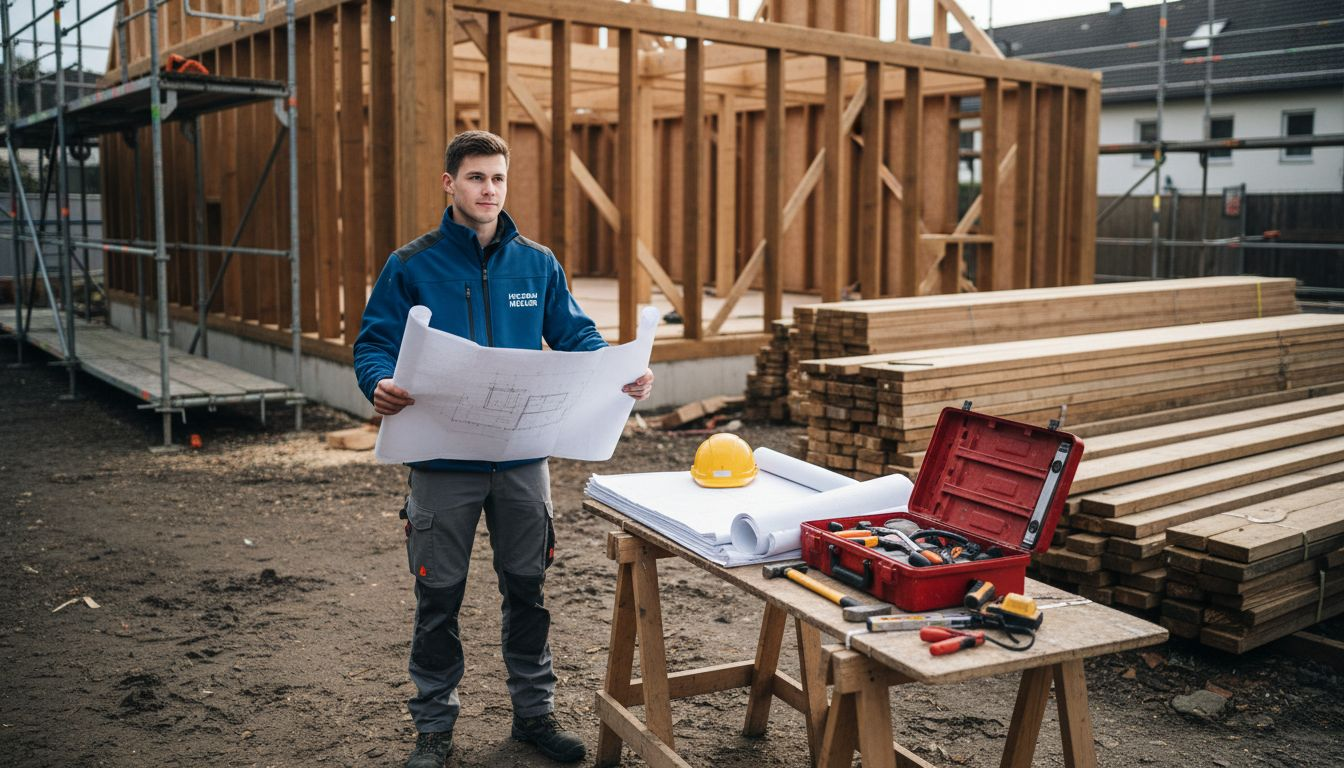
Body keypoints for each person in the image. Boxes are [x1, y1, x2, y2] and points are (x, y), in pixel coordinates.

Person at [353, 130, 654, 768]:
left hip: (522, 459)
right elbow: (373, 343)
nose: (488, 190)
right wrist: (377, 381)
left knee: (528, 591)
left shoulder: (536, 264)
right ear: (449, 184)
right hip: (441, 462)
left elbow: (575, 334)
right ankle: (434, 729)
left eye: (497, 179)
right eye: (476, 178)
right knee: (438, 597)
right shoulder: (412, 264)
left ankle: (534, 716)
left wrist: (616, 371)